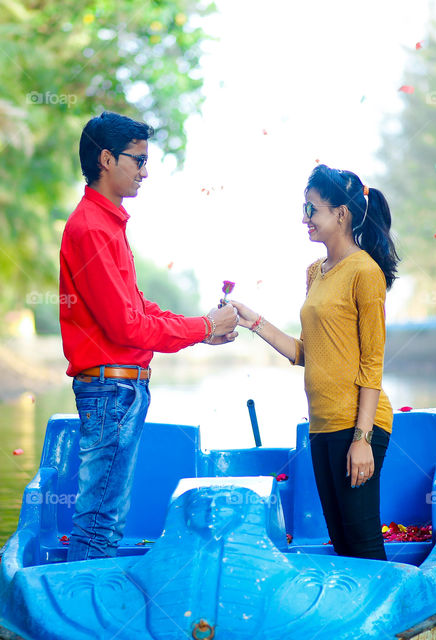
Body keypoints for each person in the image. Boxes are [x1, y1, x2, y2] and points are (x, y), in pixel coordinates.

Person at [59, 111, 238, 561]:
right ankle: (84, 622)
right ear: (105, 159)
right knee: (100, 520)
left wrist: (202, 330)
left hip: (120, 388)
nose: (145, 170)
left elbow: (137, 309)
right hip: (110, 389)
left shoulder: (108, 225)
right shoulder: (91, 229)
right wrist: (202, 328)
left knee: (107, 517)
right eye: (137, 160)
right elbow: (126, 325)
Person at [231, 164, 400, 560]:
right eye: (304, 208)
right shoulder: (315, 272)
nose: (304, 218)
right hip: (322, 425)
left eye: (312, 209)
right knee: (342, 545)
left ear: (341, 214)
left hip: (357, 424)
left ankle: (387, 622)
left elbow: (372, 362)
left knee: (363, 545)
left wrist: (362, 440)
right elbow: (304, 352)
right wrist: (250, 318)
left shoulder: (365, 272)